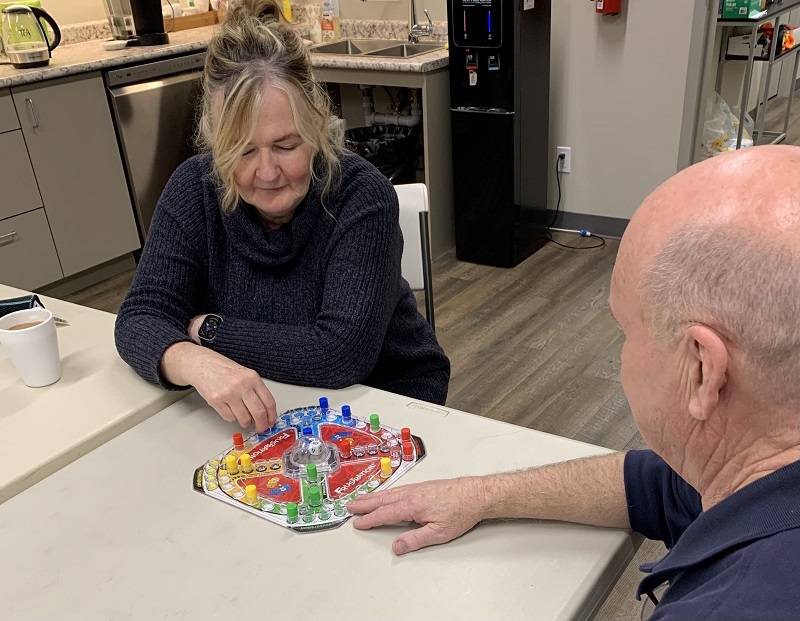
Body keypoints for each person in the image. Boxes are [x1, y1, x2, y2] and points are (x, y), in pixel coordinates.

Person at [348, 145, 800, 620]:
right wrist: (476, 495)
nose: (622, 356)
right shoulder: (758, 460)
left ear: (702, 370)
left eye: (627, 332)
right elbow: (654, 485)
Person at [114, 0, 450, 433]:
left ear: (317, 124)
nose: (267, 173)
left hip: (382, 397)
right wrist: (191, 359)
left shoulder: (362, 196)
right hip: (268, 403)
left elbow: (339, 354)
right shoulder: (194, 188)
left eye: (287, 145)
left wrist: (205, 331)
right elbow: (140, 316)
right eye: (243, 151)